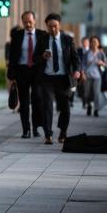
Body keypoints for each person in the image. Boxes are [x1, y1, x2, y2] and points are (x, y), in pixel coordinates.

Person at [34, 13, 80, 144]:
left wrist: (76, 70)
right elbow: (34, 58)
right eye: (50, 27)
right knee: (47, 106)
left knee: (65, 108)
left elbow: (75, 58)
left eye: (55, 26)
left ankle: (63, 132)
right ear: (46, 27)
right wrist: (42, 56)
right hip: (47, 79)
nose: (53, 29)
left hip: (63, 79)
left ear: (59, 25)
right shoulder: (42, 40)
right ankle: (48, 134)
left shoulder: (67, 40)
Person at [7, 11, 47, 138]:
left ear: (34, 21)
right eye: (25, 22)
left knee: (37, 100)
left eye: (30, 21)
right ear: (22, 22)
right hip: (22, 71)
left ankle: (35, 128)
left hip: (37, 71)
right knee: (24, 102)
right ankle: (26, 129)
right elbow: (12, 56)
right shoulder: (17, 36)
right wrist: (11, 75)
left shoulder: (42, 35)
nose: (28, 24)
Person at [83, 36, 107, 117]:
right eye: (93, 42)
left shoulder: (101, 53)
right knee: (87, 94)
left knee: (96, 93)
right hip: (88, 75)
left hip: (97, 76)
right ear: (90, 43)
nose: (94, 43)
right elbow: (82, 64)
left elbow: (105, 66)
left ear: (98, 43)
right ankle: (89, 105)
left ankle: (96, 109)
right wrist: (83, 72)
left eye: (96, 42)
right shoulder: (86, 53)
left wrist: (102, 64)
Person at [77, 37, 90, 108]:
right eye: (83, 42)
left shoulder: (91, 51)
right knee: (82, 88)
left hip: (89, 72)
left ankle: (87, 102)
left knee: (87, 88)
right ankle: (84, 101)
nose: (84, 43)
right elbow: (77, 61)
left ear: (88, 43)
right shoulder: (78, 50)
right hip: (80, 72)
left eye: (86, 42)